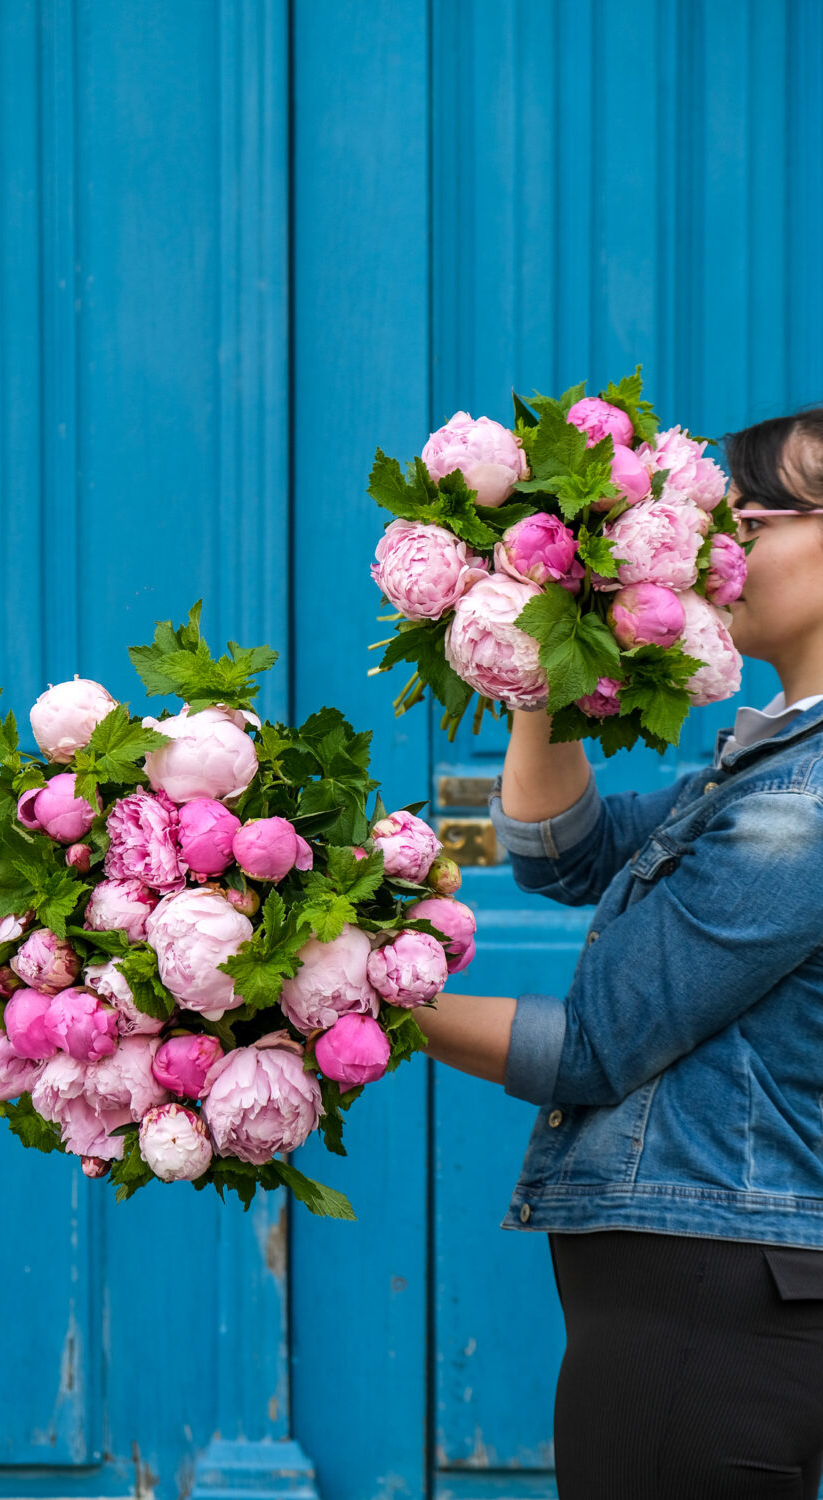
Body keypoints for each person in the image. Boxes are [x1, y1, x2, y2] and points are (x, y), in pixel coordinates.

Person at [416, 408, 823, 1500]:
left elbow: (595, 1048)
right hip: (711, 1276)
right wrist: (541, 662)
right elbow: (568, 857)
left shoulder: (809, 799)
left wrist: (357, 1004)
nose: (715, 554)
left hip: (714, 1290)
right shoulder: (777, 754)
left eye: (748, 519)